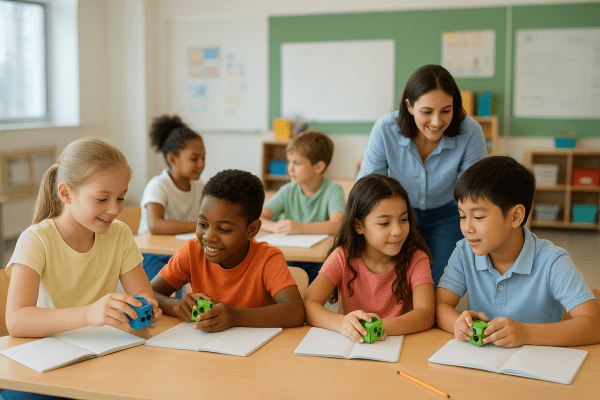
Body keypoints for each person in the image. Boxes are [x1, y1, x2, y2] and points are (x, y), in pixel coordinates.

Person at [3, 138, 161, 400]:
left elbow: (146, 297)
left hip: (100, 356)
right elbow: (17, 320)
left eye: (121, 197)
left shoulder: (119, 234)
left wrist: (147, 309)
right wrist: (89, 314)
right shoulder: (36, 240)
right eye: (102, 199)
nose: (114, 209)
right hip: (43, 365)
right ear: (66, 194)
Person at [436, 156, 600, 347]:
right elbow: (440, 306)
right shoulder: (464, 252)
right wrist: (458, 324)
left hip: (539, 365)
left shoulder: (552, 261)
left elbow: (593, 325)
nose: (467, 228)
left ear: (515, 216)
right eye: (463, 216)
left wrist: (525, 333)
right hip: (485, 365)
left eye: (478, 216)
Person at [356, 64, 487, 287]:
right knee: (395, 279)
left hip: (448, 214)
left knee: (437, 281)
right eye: (427, 112)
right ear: (409, 106)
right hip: (398, 212)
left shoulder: (471, 131)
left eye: (446, 110)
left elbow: (475, 191)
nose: (436, 122)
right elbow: (367, 186)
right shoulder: (385, 129)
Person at [151, 169, 305, 332]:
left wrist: (235, 316)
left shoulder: (267, 258)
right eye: (203, 224)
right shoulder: (191, 252)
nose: (209, 237)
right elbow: (150, 292)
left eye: (223, 229)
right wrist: (175, 306)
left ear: (252, 230)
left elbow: (295, 312)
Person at [304, 174, 435, 343]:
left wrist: (377, 327)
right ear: (358, 225)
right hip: (350, 348)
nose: (397, 231)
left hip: (400, 349)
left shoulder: (416, 259)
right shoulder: (342, 256)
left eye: (403, 219)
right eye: (384, 223)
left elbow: (426, 314)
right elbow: (308, 303)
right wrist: (343, 324)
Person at [260, 129, 345, 283]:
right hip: (290, 256)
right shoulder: (288, 190)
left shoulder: (333, 190)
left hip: (319, 259)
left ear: (318, 167)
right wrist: (274, 227)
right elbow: (259, 217)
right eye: (289, 162)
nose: (290, 168)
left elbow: (338, 224)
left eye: (297, 163)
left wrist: (300, 228)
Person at [138, 115, 206, 288]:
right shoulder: (158, 185)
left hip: (183, 252)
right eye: (194, 158)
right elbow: (156, 225)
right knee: (157, 295)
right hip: (152, 254)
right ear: (173, 160)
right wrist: (199, 225)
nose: (201, 164)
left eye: (203, 158)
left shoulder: (200, 186)